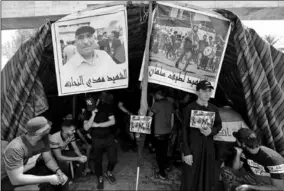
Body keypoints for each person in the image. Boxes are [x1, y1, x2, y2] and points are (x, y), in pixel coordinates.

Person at [2, 117, 68, 191]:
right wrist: (50, 178)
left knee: (56, 182)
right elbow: (15, 180)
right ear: (38, 132)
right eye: (46, 125)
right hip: (7, 178)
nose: (50, 126)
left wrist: (58, 171)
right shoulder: (15, 147)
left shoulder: (43, 137)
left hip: (26, 169)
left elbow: (48, 159)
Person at [181, 80, 222, 191]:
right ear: (198, 92)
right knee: (190, 176)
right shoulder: (189, 108)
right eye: (204, 91)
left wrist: (211, 131)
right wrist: (186, 152)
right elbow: (184, 130)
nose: (207, 94)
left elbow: (219, 126)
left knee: (206, 176)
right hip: (193, 148)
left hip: (208, 148)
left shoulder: (214, 109)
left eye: (209, 91)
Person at [83, 92, 118, 190]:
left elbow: (112, 121)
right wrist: (92, 115)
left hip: (109, 138)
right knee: (98, 160)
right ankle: (100, 177)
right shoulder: (87, 110)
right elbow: (86, 127)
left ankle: (109, 172)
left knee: (113, 159)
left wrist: (97, 125)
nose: (91, 108)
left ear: (98, 101)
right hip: (96, 139)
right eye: (89, 106)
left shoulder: (107, 107)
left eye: (93, 105)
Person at [149, 89, 174, 180]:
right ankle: (165, 167)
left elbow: (149, 115)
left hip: (159, 132)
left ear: (159, 95)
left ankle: (162, 173)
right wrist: (171, 130)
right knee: (164, 151)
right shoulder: (170, 104)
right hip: (167, 131)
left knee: (159, 153)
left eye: (155, 94)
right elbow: (172, 118)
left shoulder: (157, 104)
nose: (154, 95)